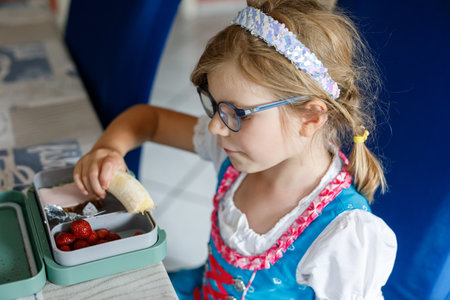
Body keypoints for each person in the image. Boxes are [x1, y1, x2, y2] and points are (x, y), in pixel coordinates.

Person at [73, 0, 397, 299]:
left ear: (310, 118)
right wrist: (109, 149)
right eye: (214, 106)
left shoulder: (343, 235)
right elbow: (149, 119)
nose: (215, 126)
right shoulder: (235, 151)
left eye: (236, 113)